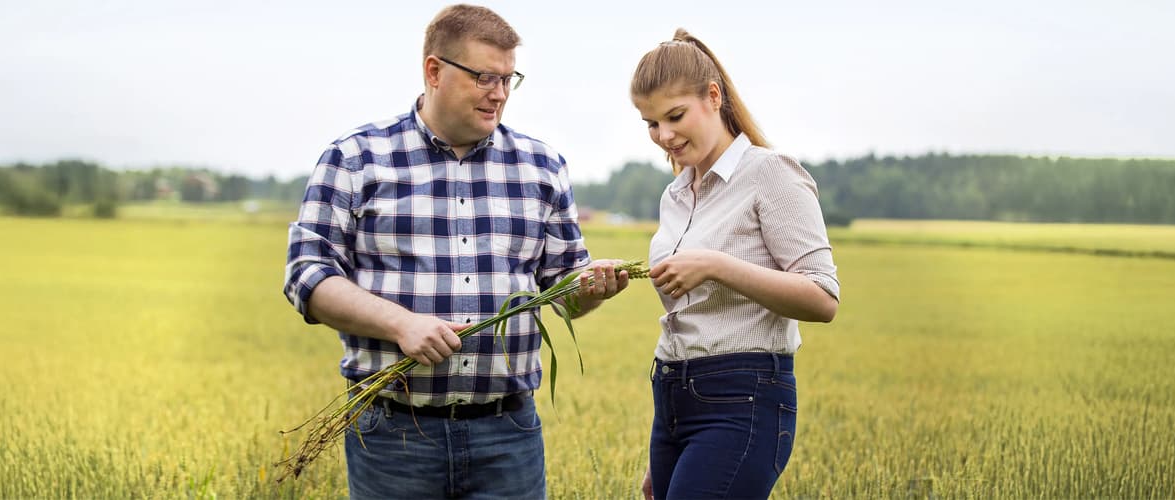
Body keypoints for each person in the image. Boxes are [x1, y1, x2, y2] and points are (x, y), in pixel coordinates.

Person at [282, 5, 630, 499]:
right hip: (392, 435)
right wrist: (400, 324)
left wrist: (593, 286)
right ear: (434, 70)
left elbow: (562, 291)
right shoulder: (356, 158)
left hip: (508, 435)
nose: (500, 94)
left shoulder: (542, 166)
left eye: (510, 79)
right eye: (486, 77)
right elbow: (307, 277)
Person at [629, 29, 841, 499]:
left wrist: (716, 265)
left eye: (675, 116)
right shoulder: (676, 194)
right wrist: (666, 445)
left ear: (713, 96)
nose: (664, 136)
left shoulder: (770, 173)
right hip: (672, 398)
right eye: (650, 123)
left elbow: (823, 297)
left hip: (743, 399)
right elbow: (687, 326)